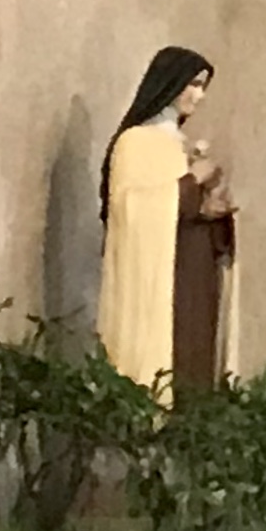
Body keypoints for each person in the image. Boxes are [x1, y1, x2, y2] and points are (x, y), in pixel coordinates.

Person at [99, 46, 226, 391]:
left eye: (203, 86)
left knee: (193, 358)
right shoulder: (135, 142)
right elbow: (130, 209)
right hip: (157, 279)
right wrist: (192, 181)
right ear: (170, 83)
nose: (199, 96)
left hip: (191, 271)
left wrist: (212, 211)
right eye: (193, 84)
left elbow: (182, 209)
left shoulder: (179, 144)